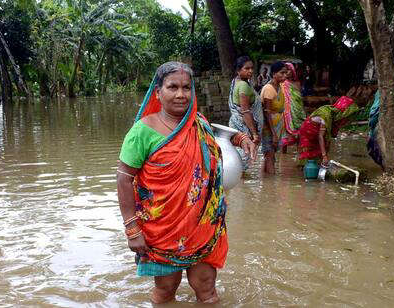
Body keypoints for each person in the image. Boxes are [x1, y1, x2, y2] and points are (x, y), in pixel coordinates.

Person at [116, 62, 256, 304]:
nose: (181, 94)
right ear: (158, 92)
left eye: (186, 87)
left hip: (202, 224)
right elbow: (124, 178)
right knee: (166, 290)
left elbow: (214, 136)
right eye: (172, 87)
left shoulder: (198, 122)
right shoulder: (142, 132)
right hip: (164, 228)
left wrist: (239, 137)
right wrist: (131, 228)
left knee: (207, 288)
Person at [367, 58, 394, 167]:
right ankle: (386, 166)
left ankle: (391, 167)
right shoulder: (387, 84)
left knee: (385, 146)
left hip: (390, 120)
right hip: (379, 119)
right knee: (375, 146)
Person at [298, 96, 359, 166]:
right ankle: (305, 171)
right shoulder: (326, 115)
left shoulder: (332, 114)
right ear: (343, 112)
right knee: (309, 154)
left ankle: (317, 168)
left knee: (319, 153)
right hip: (308, 131)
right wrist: (324, 156)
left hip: (317, 131)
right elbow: (321, 137)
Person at [228, 56, 263, 169]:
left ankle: (238, 184)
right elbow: (245, 112)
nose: (251, 71)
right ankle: (239, 184)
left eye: (252, 68)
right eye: (246, 68)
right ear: (238, 70)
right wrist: (254, 133)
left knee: (238, 157)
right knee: (244, 157)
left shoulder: (236, 82)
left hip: (236, 124)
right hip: (244, 126)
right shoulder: (243, 85)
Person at [260, 61, 288, 174]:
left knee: (269, 155)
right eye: (282, 73)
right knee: (270, 154)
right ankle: (271, 185)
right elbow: (267, 113)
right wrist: (274, 134)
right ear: (274, 73)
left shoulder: (279, 87)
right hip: (269, 127)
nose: (285, 75)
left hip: (277, 126)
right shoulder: (269, 89)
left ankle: (265, 184)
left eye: (286, 73)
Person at [281, 62, 307, 148]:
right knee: (285, 134)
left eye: (288, 70)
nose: (287, 72)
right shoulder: (282, 83)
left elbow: (299, 98)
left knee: (300, 131)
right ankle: (283, 157)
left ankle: (299, 153)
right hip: (286, 112)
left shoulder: (297, 83)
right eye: (285, 71)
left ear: (292, 71)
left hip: (298, 110)